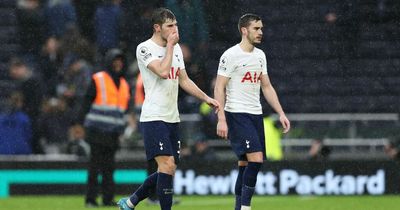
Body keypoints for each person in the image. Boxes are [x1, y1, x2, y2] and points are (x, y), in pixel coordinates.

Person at [117, 8, 219, 210]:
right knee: (167, 166)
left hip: (172, 117)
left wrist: (206, 97)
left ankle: (130, 202)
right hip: (153, 116)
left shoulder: (177, 48)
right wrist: (171, 46)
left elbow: (184, 79)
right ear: (157, 28)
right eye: (170, 26)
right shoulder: (144, 48)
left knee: (168, 169)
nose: (175, 30)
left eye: (176, 25)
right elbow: (163, 72)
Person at [214, 14, 290, 210]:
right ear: (244, 30)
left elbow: (266, 86)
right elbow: (219, 87)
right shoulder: (230, 55)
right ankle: (246, 207)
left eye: (261, 28)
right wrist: (221, 118)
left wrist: (281, 112)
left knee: (245, 165)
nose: (261, 32)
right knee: (256, 160)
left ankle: (239, 207)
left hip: (255, 114)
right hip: (236, 113)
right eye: (256, 28)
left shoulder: (260, 55)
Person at [74, 48, 130, 207]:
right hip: (97, 131)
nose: (118, 64)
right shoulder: (99, 79)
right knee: (95, 167)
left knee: (109, 168)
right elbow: (86, 102)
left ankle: (107, 199)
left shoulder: (124, 84)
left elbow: (122, 110)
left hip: (112, 134)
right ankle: (91, 199)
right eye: (115, 60)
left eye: (120, 61)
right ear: (109, 62)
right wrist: (78, 123)